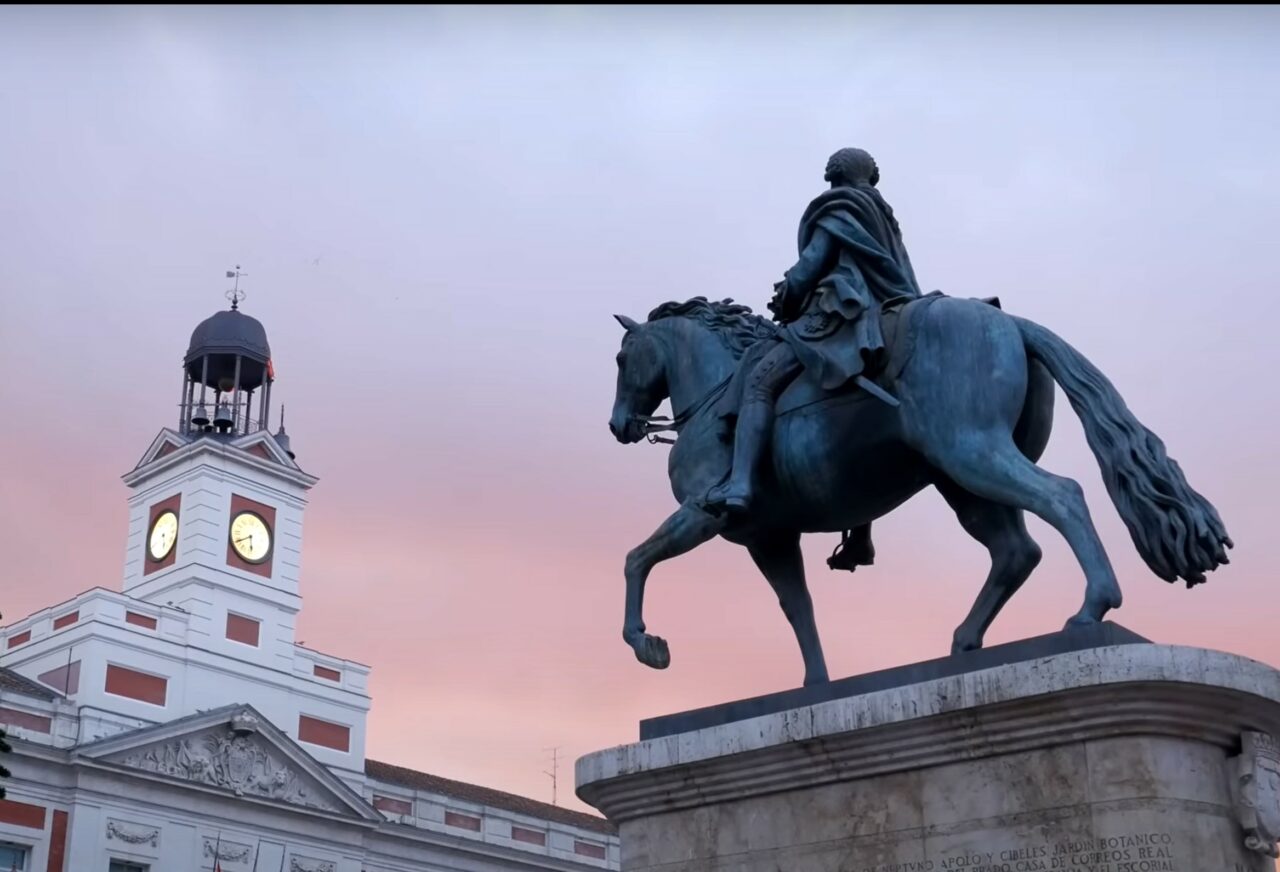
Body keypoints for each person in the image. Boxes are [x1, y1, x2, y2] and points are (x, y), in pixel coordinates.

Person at [703, 148, 923, 570]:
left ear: (832, 174)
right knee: (866, 414)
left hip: (840, 310)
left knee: (759, 379)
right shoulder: (881, 210)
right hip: (886, 308)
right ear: (871, 175)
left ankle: (740, 485)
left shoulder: (838, 207)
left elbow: (811, 264)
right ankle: (860, 535)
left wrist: (787, 292)